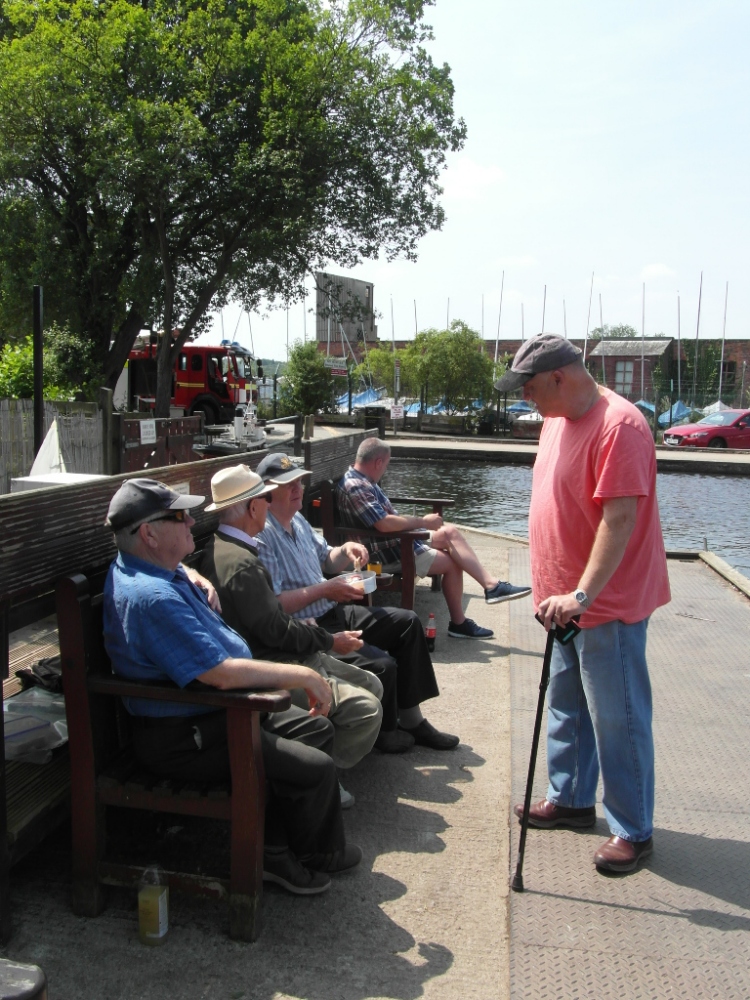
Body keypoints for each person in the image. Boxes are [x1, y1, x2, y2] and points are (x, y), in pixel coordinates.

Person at [102, 477, 362, 897]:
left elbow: (158, 568)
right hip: (187, 738)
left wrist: (191, 572)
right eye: (179, 516)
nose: (192, 522)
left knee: (316, 729)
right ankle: (292, 854)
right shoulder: (152, 598)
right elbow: (220, 674)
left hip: (216, 713)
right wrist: (304, 675)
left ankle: (279, 841)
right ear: (149, 534)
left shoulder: (153, 566)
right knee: (314, 767)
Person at [495, 334, 671, 873]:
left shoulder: (620, 427)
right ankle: (570, 798)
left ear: (558, 377)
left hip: (603, 603)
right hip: (562, 603)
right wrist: (558, 591)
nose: (524, 397)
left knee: (617, 717)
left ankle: (633, 829)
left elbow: (620, 520)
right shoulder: (555, 420)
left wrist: (581, 594)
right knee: (566, 701)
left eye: (528, 387)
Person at [199, 464, 384, 810]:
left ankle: (321, 767)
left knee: (373, 683)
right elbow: (275, 629)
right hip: (268, 664)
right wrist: (329, 641)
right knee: (367, 709)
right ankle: (320, 773)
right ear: (253, 507)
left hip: (277, 652)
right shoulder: (241, 563)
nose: (268, 504)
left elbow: (271, 620)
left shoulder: (232, 548)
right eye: (264, 499)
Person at [255, 452, 459, 752]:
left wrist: (347, 548)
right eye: (289, 484)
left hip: (331, 610)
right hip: (309, 627)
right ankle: (386, 734)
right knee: (384, 665)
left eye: (299, 481)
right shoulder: (263, 536)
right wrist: (326, 589)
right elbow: (276, 605)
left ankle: (412, 720)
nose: (298, 488)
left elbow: (327, 557)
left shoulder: (296, 519)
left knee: (407, 622)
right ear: (267, 493)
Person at [336, 437, 531, 639]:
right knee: (453, 563)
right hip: (385, 552)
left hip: (394, 541)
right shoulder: (356, 486)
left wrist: (419, 525)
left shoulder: (363, 480)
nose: (385, 469)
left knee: (450, 533)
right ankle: (459, 624)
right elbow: (384, 524)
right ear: (378, 462)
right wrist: (422, 521)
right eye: (386, 465)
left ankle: (492, 585)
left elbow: (384, 522)